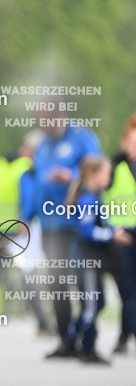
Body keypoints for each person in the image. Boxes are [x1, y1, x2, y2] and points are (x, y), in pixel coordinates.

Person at [33, 106, 102, 358]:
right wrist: (28, 215)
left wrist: (71, 176)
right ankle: (66, 340)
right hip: (49, 226)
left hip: (75, 226)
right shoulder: (43, 144)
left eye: (47, 121)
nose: (44, 126)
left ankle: (87, 342)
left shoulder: (83, 138)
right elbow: (37, 180)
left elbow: (97, 174)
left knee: (84, 283)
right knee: (56, 282)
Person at [0, 132, 53, 335]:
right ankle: (43, 323)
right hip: (18, 228)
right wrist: (27, 220)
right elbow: (29, 196)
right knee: (28, 272)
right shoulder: (26, 168)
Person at [64, 155, 131, 365]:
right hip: (86, 262)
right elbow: (87, 231)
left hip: (90, 262)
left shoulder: (94, 197)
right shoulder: (87, 200)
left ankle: (84, 346)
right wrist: (111, 236)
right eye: (106, 174)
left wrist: (111, 229)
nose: (109, 178)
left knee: (97, 303)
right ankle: (74, 340)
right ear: (92, 175)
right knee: (92, 307)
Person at [104, 113, 136, 354]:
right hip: (121, 234)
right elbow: (95, 194)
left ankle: (126, 335)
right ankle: (126, 335)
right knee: (127, 289)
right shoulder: (114, 168)